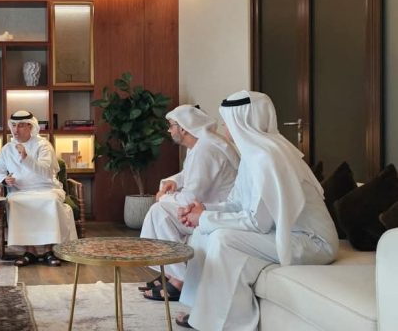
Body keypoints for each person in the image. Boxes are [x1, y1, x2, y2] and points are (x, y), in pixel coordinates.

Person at [175, 91, 338, 330]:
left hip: (312, 242)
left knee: (223, 238)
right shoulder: (253, 155)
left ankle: (231, 323)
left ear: (242, 121)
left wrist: (205, 218)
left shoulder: (268, 158)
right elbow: (237, 202)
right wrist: (203, 210)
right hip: (285, 233)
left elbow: (257, 223)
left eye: (227, 120)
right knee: (203, 231)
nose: (224, 126)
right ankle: (202, 311)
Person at [139, 104, 239, 301]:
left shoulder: (206, 150)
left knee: (160, 211)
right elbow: (188, 175)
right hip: (206, 205)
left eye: (171, 126)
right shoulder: (200, 146)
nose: (169, 130)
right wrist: (174, 182)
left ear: (183, 128)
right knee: (159, 210)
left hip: (216, 209)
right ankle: (171, 273)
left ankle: (180, 279)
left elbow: (191, 196)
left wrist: (163, 197)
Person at [0, 110, 77, 267]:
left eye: (21, 126)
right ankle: (30, 251)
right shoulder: (7, 149)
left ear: (30, 127)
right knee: (15, 202)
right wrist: (4, 179)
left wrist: (26, 158)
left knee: (50, 201)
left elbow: (45, 171)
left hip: (47, 188)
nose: (16, 130)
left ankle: (49, 250)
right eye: (14, 125)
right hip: (20, 191)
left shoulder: (43, 145)